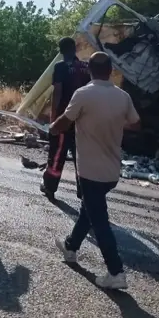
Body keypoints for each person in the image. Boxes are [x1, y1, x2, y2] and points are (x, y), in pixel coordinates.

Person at [52, 52, 140, 290]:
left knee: (100, 222)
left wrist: (52, 128)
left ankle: (116, 272)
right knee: (88, 210)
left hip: (90, 171)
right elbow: (135, 123)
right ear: (111, 70)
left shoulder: (83, 94)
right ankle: (71, 247)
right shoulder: (123, 97)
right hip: (111, 172)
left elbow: (63, 122)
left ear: (89, 70)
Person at [40, 37, 90, 200]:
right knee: (81, 156)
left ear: (61, 51)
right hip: (82, 120)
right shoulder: (86, 67)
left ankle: (50, 187)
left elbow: (58, 93)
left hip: (64, 118)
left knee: (57, 154)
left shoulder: (60, 67)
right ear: (75, 49)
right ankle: (83, 191)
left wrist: (54, 118)